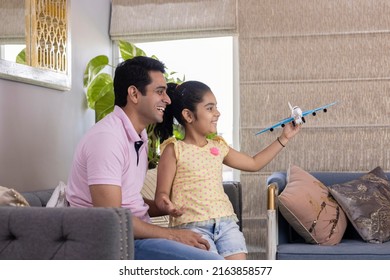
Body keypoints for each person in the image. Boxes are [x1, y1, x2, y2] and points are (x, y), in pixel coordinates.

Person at [66, 57, 223, 260]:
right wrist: (173, 235)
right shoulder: (106, 139)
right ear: (134, 94)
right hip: (114, 242)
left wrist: (162, 205)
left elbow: (127, 201)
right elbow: (112, 217)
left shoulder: (138, 138)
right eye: (160, 92)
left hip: (135, 235)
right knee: (213, 263)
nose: (168, 99)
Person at [154, 81, 301, 260]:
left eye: (216, 107)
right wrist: (167, 205)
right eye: (209, 108)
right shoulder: (174, 149)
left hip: (226, 224)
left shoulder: (218, 147)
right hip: (191, 227)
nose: (217, 113)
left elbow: (254, 163)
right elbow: (161, 195)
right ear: (188, 115)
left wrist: (284, 138)